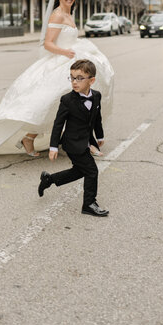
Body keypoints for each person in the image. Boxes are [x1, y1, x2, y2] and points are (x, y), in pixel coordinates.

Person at [0, 0, 114, 158]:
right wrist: (65, 52)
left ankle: (83, 141)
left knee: (73, 103)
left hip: (73, 60)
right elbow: (48, 44)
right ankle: (30, 138)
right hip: (62, 61)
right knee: (48, 104)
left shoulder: (69, 14)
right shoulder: (58, 15)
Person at [37, 59, 109, 217]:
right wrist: (53, 146)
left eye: (79, 78)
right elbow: (58, 124)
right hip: (72, 143)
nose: (74, 82)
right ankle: (89, 204)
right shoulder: (67, 100)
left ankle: (49, 179)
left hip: (86, 141)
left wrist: (100, 135)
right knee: (91, 171)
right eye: (72, 77)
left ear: (92, 80)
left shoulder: (96, 96)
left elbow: (97, 118)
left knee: (79, 171)